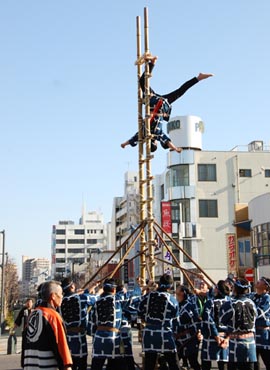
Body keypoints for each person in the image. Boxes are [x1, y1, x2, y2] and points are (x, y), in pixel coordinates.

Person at [121, 56, 213, 152]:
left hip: (161, 105)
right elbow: (133, 139)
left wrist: (176, 149)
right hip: (154, 102)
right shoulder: (144, 132)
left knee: (180, 91)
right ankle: (152, 63)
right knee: (142, 82)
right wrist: (124, 144)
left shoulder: (157, 133)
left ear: (155, 143)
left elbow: (167, 141)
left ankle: (198, 78)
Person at [22, 280, 72, 370]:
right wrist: (66, 366)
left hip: (30, 364)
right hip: (47, 365)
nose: (62, 297)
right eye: (60, 294)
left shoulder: (32, 314)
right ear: (53, 296)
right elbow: (61, 345)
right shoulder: (52, 315)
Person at [138, 273, 180, 370]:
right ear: (169, 286)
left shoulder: (148, 297)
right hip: (165, 333)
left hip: (149, 333)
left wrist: (145, 320)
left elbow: (139, 311)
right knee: (173, 363)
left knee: (149, 364)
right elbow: (176, 318)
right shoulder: (172, 300)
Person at [60, 277, 98, 370]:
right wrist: (99, 290)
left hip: (67, 337)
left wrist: (92, 287)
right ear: (72, 286)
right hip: (79, 336)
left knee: (69, 364)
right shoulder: (82, 298)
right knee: (81, 364)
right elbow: (97, 298)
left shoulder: (60, 301)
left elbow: (78, 296)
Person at [219, 278, 257, 370]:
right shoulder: (252, 303)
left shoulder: (230, 304)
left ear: (235, 289)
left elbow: (222, 320)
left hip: (235, 343)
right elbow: (256, 317)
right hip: (250, 341)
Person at [89, 278, 124, 370]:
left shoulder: (97, 302)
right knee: (115, 365)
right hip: (112, 338)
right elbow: (134, 299)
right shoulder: (117, 300)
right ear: (114, 289)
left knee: (96, 366)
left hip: (98, 338)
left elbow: (92, 321)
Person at [201, 280, 231, 370]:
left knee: (206, 365)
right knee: (223, 365)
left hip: (211, 336)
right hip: (225, 337)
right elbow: (233, 322)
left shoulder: (210, 302)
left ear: (217, 290)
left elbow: (208, 320)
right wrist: (227, 338)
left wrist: (216, 336)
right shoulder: (231, 302)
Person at [175, 285, 202, 370]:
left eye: (177, 292)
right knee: (173, 362)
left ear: (182, 293)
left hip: (190, 339)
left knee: (193, 362)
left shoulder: (189, 306)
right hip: (177, 340)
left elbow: (196, 322)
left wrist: (196, 332)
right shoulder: (177, 305)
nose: (176, 294)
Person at [250, 276, 270, 370]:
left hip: (263, 334)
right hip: (253, 334)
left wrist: (246, 312)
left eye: (261, 281)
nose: (258, 281)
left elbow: (259, 312)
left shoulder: (267, 298)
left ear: (266, 286)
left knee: (267, 360)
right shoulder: (252, 296)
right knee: (254, 362)